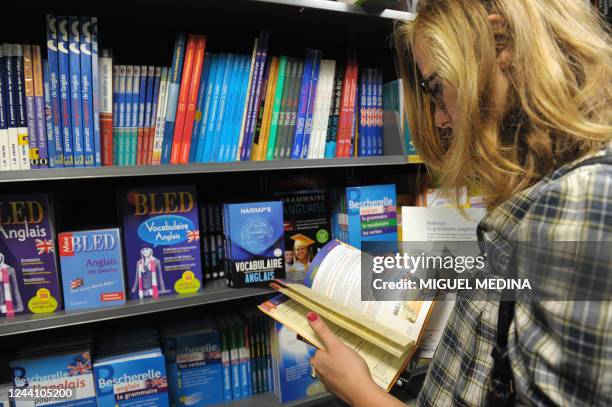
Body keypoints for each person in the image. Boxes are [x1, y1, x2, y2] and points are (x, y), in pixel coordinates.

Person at [306, 1, 611, 406]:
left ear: (499, 42)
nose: (438, 121)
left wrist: (360, 391)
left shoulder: (581, 204)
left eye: (436, 88)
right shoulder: (546, 190)